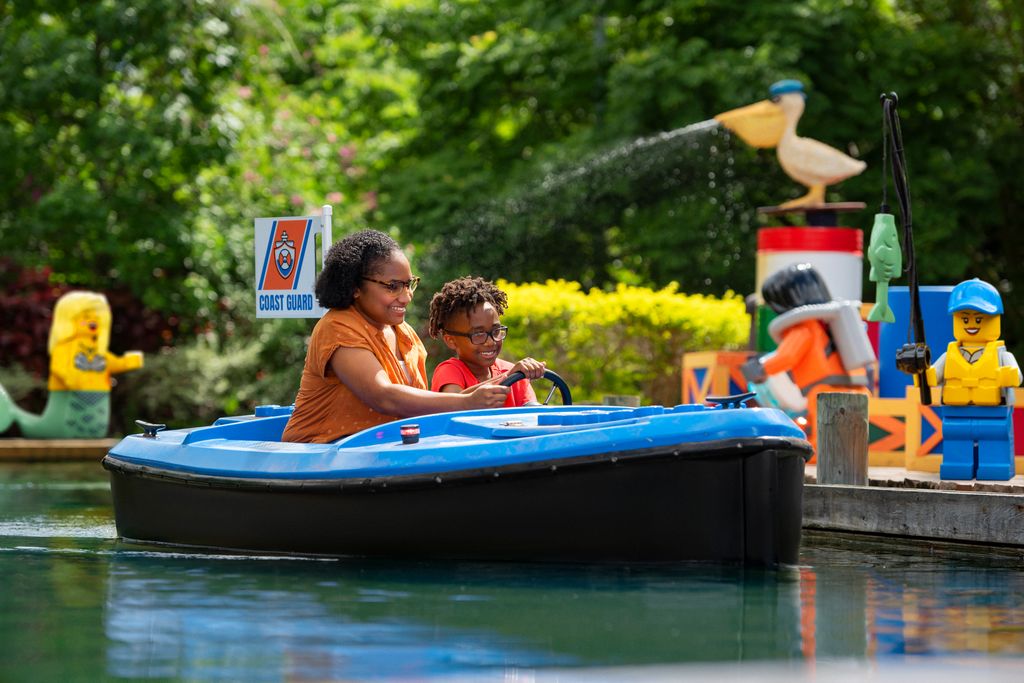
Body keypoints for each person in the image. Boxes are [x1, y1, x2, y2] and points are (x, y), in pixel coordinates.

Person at [281, 230, 509, 443]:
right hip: (319, 456)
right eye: (393, 286)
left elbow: (421, 405)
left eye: (409, 285)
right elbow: (383, 396)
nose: (407, 297)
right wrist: (467, 402)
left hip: (382, 453)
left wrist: (503, 381)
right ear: (355, 288)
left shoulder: (404, 333)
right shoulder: (337, 327)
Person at [916, 278, 1021, 480]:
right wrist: (920, 372)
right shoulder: (950, 354)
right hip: (956, 411)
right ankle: (958, 466)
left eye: (979, 319)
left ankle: (996, 467)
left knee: (994, 440)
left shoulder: (1000, 354)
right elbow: (933, 376)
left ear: (995, 319)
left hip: (994, 410)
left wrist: (1009, 375)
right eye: (965, 319)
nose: (971, 324)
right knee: (956, 438)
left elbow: (1016, 374)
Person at [427, 276, 545, 406]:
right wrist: (508, 377)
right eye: (478, 334)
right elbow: (452, 406)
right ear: (451, 340)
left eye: (495, 331)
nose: (490, 342)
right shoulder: (450, 371)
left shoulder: (512, 372)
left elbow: (533, 413)